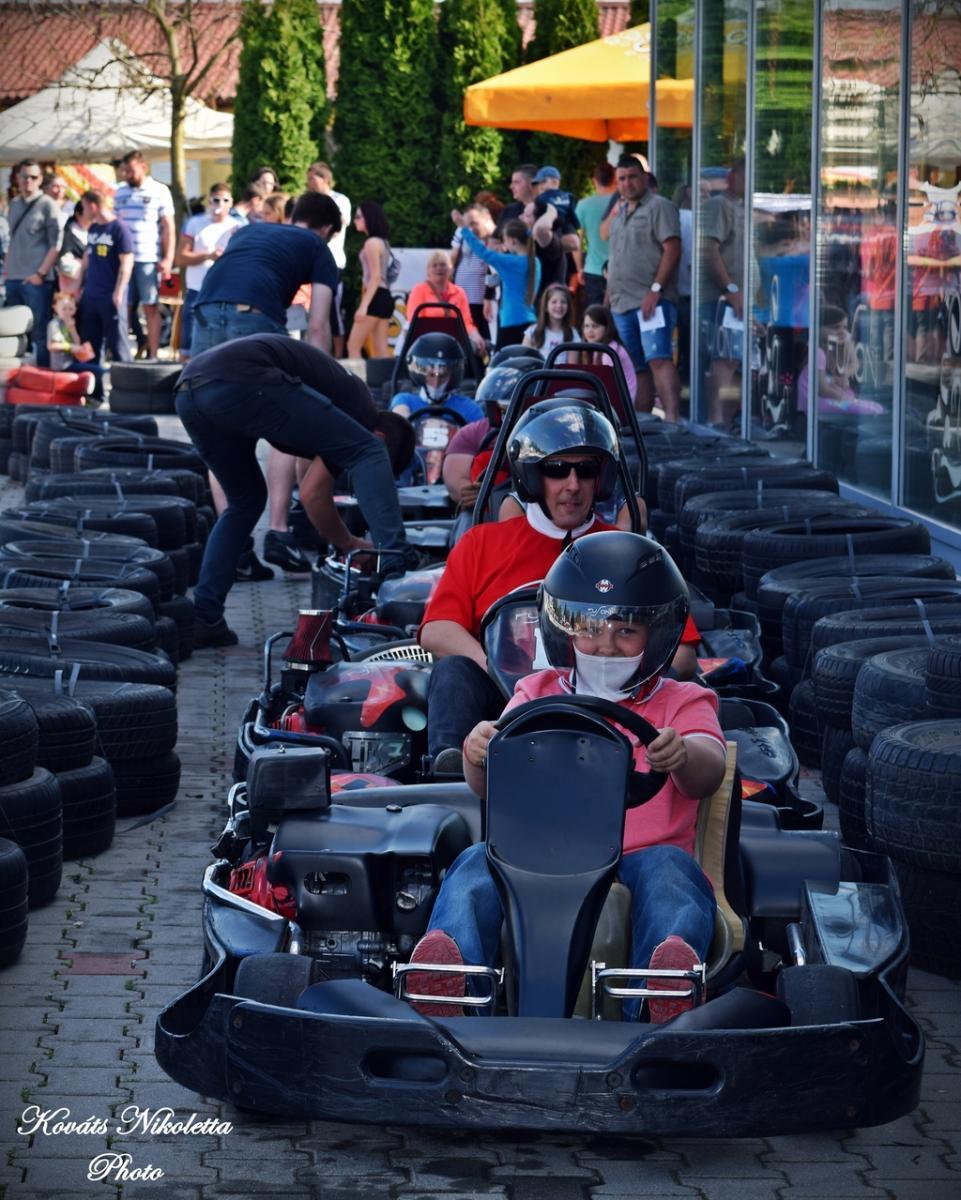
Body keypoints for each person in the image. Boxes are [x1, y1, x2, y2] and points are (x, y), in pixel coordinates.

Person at [407, 531, 725, 1023]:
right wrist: (478, 752)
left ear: (657, 636)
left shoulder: (682, 702)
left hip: (642, 855)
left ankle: (661, 991)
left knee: (673, 878)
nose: (606, 645)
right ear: (564, 632)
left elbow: (710, 769)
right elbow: (491, 787)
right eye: (590, 629)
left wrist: (682, 755)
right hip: (539, 854)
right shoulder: (536, 692)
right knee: (474, 863)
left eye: (626, 631)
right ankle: (452, 981)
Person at [175, 333, 417, 648]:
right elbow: (313, 495)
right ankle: (397, 563)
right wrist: (351, 544)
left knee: (245, 501)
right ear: (382, 436)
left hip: (190, 389)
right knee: (367, 451)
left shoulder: (334, 411)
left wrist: (341, 539)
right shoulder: (360, 413)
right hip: (240, 379)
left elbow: (309, 484)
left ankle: (206, 618)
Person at [420, 401, 623, 774]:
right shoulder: (481, 543)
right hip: (500, 704)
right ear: (531, 476)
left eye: (586, 470)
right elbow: (437, 629)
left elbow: (680, 655)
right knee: (453, 670)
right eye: (557, 470)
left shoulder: (624, 551)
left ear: (602, 478)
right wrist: (494, 667)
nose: (573, 485)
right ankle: (451, 772)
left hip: (601, 702)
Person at [190, 190, 343, 577]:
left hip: (203, 315)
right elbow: (319, 326)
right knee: (286, 420)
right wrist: (323, 384)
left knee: (219, 428)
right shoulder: (319, 248)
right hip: (254, 318)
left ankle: (237, 549)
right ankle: (278, 532)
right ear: (327, 229)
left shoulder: (248, 232)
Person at [603, 155, 682, 421]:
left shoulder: (660, 206)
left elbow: (673, 248)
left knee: (658, 359)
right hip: (621, 304)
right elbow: (615, 260)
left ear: (645, 178)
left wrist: (656, 289)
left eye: (632, 177)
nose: (627, 183)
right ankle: (643, 424)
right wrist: (607, 302)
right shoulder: (620, 214)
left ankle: (673, 422)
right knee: (638, 366)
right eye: (622, 179)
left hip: (651, 301)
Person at [113, 150, 175, 360]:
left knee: (150, 306)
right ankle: (125, 352)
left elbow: (168, 226)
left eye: (131, 170)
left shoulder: (159, 190)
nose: (127, 175)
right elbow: (115, 226)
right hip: (124, 260)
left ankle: (154, 355)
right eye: (125, 171)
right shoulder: (119, 192)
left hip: (148, 258)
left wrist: (168, 258)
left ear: (144, 167)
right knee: (124, 306)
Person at [450, 210, 539, 349]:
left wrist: (463, 227)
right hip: (531, 319)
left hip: (511, 321)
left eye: (504, 240)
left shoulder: (510, 262)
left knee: (503, 361)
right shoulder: (535, 262)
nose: (504, 244)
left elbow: (482, 252)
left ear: (512, 241)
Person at [3, 160, 62, 367]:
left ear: (40, 180)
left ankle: (44, 376)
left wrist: (41, 273)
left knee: (39, 331)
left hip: (37, 279)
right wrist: (7, 271)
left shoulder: (48, 204)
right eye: (24, 176)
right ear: (17, 178)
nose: (28, 180)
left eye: (33, 177)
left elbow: (56, 244)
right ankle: (17, 376)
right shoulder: (13, 204)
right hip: (13, 277)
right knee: (13, 333)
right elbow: (11, 240)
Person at [76, 188, 133, 399]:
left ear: (93, 206)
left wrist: (119, 291)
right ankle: (95, 394)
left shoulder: (119, 228)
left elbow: (127, 262)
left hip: (110, 296)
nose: (83, 211)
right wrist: (78, 288)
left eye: (84, 207)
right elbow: (86, 260)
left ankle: (128, 393)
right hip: (91, 296)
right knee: (90, 347)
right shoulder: (93, 228)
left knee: (118, 345)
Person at [174, 182, 239, 360]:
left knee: (223, 347)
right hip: (197, 290)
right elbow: (180, 258)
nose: (220, 205)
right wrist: (208, 256)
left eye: (225, 200)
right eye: (216, 200)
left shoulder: (237, 226)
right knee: (188, 347)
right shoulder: (195, 223)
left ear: (231, 202)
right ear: (209, 201)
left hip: (225, 293)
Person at [306, 162, 351, 356]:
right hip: (311, 263)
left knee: (334, 312)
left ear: (324, 179)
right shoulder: (309, 201)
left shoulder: (340, 200)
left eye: (312, 178)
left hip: (334, 262)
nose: (308, 182)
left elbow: (340, 224)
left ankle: (338, 356)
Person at [404, 249, 485, 355]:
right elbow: (414, 321)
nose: (439, 268)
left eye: (443, 265)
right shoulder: (418, 290)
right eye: (434, 265)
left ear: (450, 268)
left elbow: (466, 322)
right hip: (426, 342)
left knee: (477, 348)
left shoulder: (459, 292)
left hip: (454, 342)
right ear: (428, 270)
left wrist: (476, 335)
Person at [389, 333, 481, 423]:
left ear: (452, 376)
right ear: (421, 376)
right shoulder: (404, 400)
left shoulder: (470, 408)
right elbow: (400, 416)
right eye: (431, 375)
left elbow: (482, 430)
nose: (436, 383)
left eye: (443, 376)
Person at [347, 200, 394, 359]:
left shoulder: (371, 243)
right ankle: (387, 377)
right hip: (384, 296)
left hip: (375, 296)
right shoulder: (382, 242)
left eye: (358, 217)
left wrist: (363, 306)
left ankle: (356, 376)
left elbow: (375, 276)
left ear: (369, 218)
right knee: (380, 350)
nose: (355, 220)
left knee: (353, 346)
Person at [450, 204, 495, 342]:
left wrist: (488, 297)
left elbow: (494, 271)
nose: (471, 228)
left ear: (486, 219)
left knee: (484, 339)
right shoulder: (462, 232)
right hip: (462, 296)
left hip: (483, 301)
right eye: (468, 224)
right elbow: (452, 260)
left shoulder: (494, 237)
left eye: (474, 223)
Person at [576, 163, 617, 309]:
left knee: (595, 315)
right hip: (618, 269)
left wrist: (579, 268)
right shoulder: (622, 203)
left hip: (593, 269)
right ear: (615, 179)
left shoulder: (583, 205)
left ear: (594, 181)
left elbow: (577, 241)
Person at [580, 302, 638, 403]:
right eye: (586, 326)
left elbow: (608, 384)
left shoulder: (609, 351)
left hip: (622, 402)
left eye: (595, 326)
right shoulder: (597, 348)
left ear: (607, 328)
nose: (590, 330)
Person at [523, 282, 576, 358]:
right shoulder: (532, 332)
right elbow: (524, 360)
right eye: (554, 302)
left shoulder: (572, 334)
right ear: (545, 307)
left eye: (563, 302)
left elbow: (571, 364)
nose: (559, 306)